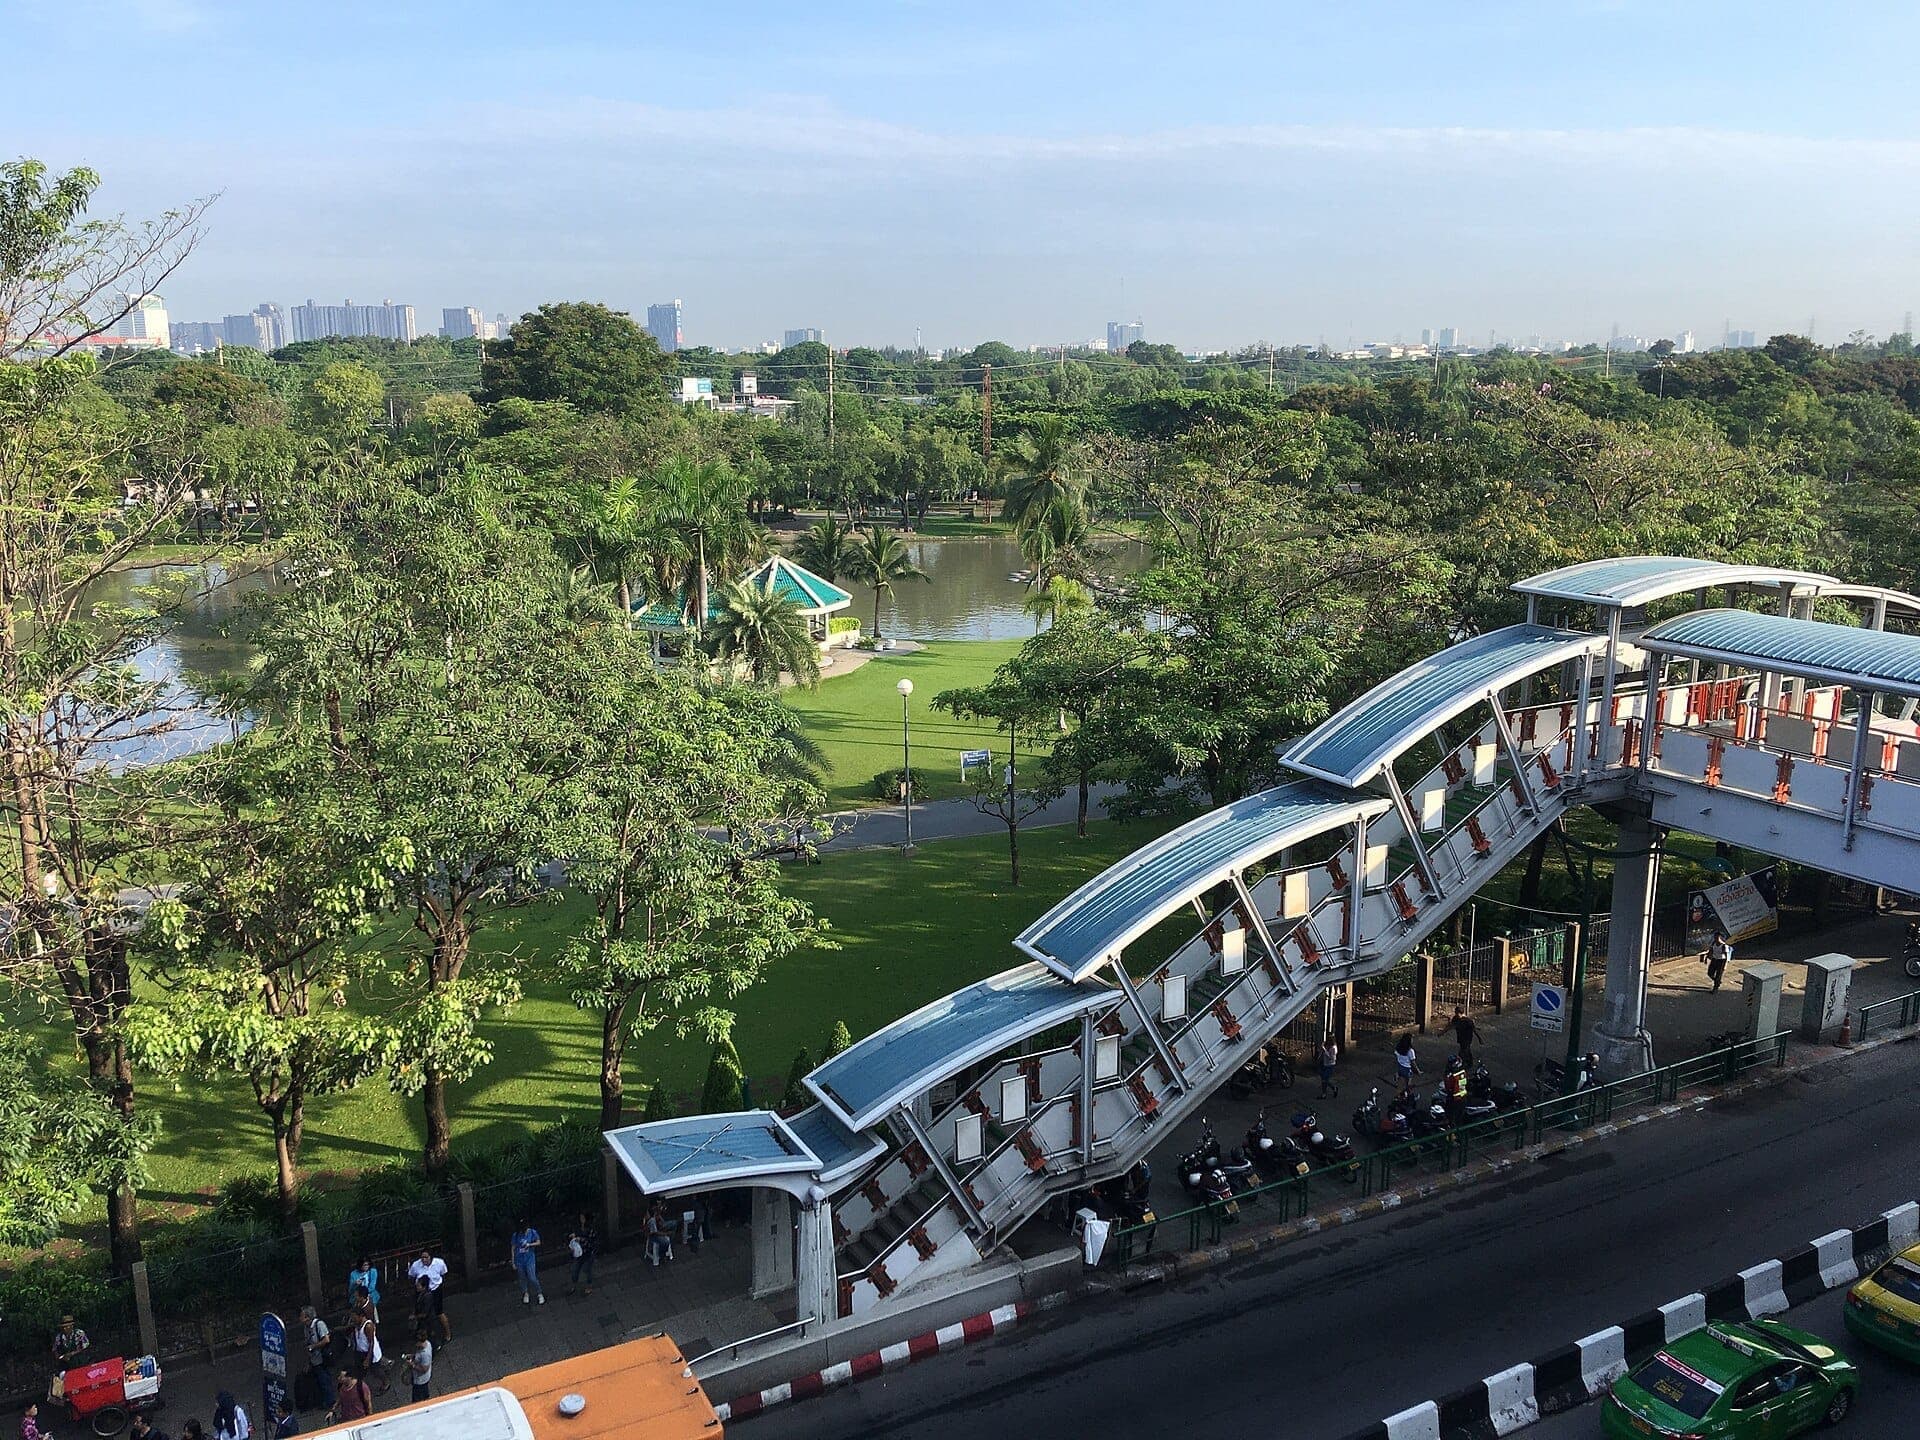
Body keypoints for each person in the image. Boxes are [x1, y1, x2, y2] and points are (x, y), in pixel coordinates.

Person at [405, 1249, 451, 1346]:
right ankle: (422, 1335)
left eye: (426, 1257)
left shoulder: (439, 1263)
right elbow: (411, 1276)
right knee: (422, 1312)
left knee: (439, 1313)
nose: (424, 1259)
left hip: (435, 1289)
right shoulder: (416, 1265)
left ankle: (447, 1334)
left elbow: (444, 1273)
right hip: (422, 1291)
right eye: (422, 1257)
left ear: (431, 1257)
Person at [299, 1306, 335, 1411]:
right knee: (319, 1380)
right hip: (314, 1359)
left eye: (302, 1316)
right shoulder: (306, 1328)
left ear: (307, 1317)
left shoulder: (319, 1324)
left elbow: (326, 1340)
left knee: (325, 1380)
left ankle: (330, 1402)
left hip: (322, 1357)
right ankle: (324, 1400)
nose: (300, 1318)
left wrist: (313, 1347)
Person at [510, 1219, 544, 1305]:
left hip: (529, 1259)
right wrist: (513, 1261)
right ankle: (525, 1293)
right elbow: (513, 1248)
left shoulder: (532, 1232)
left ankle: (539, 1293)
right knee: (522, 1278)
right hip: (519, 1260)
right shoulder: (516, 1235)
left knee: (532, 1277)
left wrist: (530, 1244)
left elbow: (538, 1242)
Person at [349, 1299, 383, 1382]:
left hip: (369, 1353)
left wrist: (368, 1358)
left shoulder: (368, 1326)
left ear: (361, 1316)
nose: (353, 1320)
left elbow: (371, 1343)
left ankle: (385, 1382)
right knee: (359, 1371)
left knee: (376, 1371)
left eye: (354, 1318)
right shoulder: (356, 1325)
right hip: (360, 1352)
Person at [567, 1213, 597, 1295]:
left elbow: (591, 1242)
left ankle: (589, 1286)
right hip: (579, 1253)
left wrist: (580, 1239)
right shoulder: (578, 1227)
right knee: (574, 1270)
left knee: (587, 1270)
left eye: (583, 1218)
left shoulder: (590, 1229)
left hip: (588, 1253)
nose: (581, 1220)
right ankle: (574, 1284)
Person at [346, 1257, 381, 1324]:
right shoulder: (353, 1274)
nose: (366, 1267)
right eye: (364, 1265)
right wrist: (355, 1284)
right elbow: (350, 1290)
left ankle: (375, 1321)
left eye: (367, 1265)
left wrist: (365, 1293)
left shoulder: (373, 1271)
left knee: (371, 1305)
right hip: (357, 1296)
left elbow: (372, 1286)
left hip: (369, 1294)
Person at [406, 1326, 433, 1404]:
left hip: (420, 1379)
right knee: (424, 1392)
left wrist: (412, 1365)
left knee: (417, 1397)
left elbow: (424, 1369)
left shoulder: (425, 1354)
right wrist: (413, 1356)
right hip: (421, 1378)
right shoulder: (427, 1343)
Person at [645, 1202, 673, 1267]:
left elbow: (662, 1222)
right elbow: (655, 1232)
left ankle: (665, 1250)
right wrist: (665, 1234)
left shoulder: (655, 1216)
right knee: (665, 1242)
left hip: (656, 1231)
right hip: (652, 1235)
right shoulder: (651, 1220)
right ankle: (662, 1255)